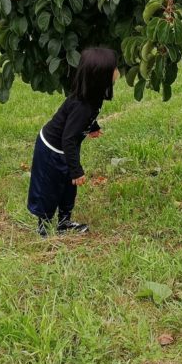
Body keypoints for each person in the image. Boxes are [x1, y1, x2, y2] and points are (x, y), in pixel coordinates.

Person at [27, 47, 118, 236]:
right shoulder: (82, 106)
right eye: (114, 69)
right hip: (52, 149)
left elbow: (82, 120)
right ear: (101, 77)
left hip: (66, 149)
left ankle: (64, 222)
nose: (118, 71)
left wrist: (93, 127)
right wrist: (76, 170)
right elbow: (67, 138)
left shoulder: (92, 97)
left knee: (69, 189)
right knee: (50, 188)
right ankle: (43, 227)